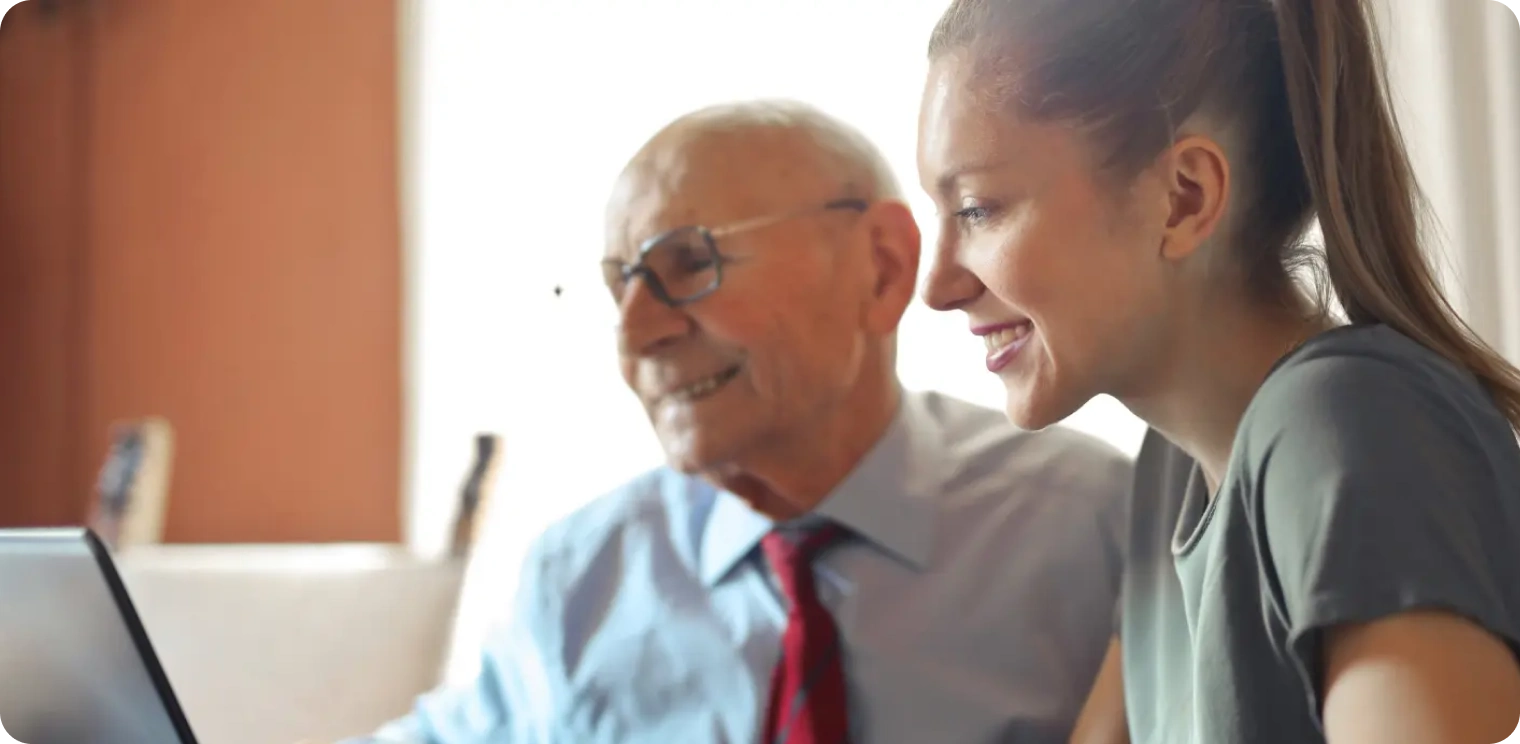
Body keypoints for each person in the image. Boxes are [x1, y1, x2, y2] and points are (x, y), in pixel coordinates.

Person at [334, 100, 1133, 744]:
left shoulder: (1094, 526)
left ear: (881, 268)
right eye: (620, 287)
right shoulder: (581, 577)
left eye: (689, 263)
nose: (636, 333)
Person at [915, 0, 1520, 742]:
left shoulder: (1352, 427)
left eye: (977, 209)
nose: (937, 287)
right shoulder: (1172, 471)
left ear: (1184, 198)